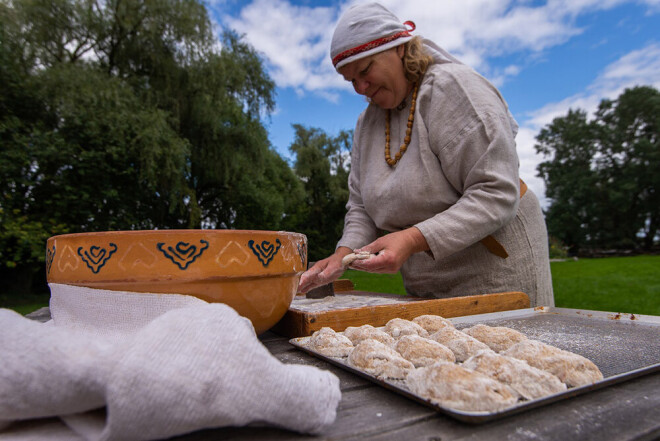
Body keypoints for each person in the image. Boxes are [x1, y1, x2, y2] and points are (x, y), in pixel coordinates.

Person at [298, 2, 554, 307]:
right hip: (425, 281)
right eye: (351, 80)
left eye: (365, 70)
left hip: (496, 268)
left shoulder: (453, 90)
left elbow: (496, 190)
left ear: (400, 49)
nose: (360, 88)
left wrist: (410, 239)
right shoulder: (366, 126)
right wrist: (343, 254)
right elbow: (361, 208)